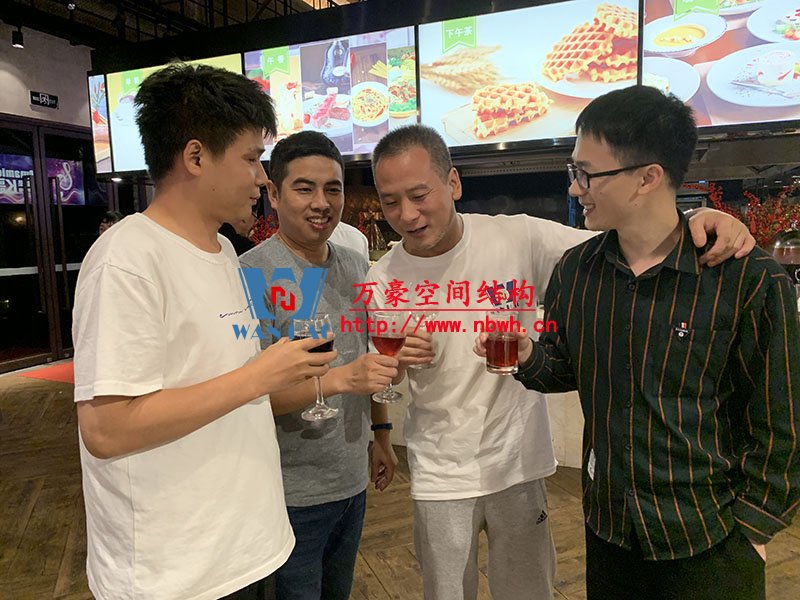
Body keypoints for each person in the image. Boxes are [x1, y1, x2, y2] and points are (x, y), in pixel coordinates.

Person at [366, 124, 756, 600]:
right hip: (438, 469)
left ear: (453, 183)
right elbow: (382, 372)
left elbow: (625, 240)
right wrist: (395, 368)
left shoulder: (517, 237)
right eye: (390, 202)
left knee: (528, 591)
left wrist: (697, 218)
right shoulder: (383, 277)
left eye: (419, 195)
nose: (406, 214)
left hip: (516, 462)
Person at [475, 86, 800, 599]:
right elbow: (565, 368)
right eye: (573, 171)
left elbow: (783, 419)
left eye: (587, 173)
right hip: (610, 529)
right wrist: (528, 353)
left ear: (648, 177)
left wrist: (754, 528)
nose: (576, 188)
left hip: (709, 537)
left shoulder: (746, 278)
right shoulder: (577, 271)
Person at [72, 64, 337, 600]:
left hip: (246, 548)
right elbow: (106, 429)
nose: (261, 179)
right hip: (173, 575)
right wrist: (258, 376)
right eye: (250, 159)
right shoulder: (127, 259)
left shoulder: (224, 255)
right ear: (195, 157)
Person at [239, 130, 399, 600]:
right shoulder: (251, 273)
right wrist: (341, 380)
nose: (321, 203)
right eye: (304, 188)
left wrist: (382, 435)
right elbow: (252, 396)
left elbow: (369, 359)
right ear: (274, 193)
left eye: (333, 189)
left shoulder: (355, 266)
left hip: (351, 480)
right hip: (289, 493)